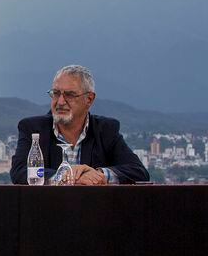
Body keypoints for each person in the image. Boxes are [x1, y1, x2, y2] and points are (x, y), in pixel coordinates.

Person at [10, 64, 149, 185]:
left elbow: (138, 171)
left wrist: (99, 175)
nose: (60, 102)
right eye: (56, 93)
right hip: (47, 210)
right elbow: (20, 172)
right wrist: (68, 176)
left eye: (69, 95)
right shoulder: (33, 129)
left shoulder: (106, 130)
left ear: (89, 99)